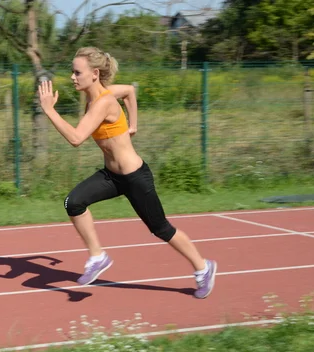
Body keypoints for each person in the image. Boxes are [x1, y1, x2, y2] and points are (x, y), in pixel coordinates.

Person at [37, 46, 217, 299]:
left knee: (161, 229)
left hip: (134, 177)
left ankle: (203, 267)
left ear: (95, 74)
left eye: (77, 72)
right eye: (72, 72)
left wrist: (49, 110)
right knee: (73, 202)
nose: (72, 77)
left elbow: (76, 138)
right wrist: (133, 124)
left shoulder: (103, 102)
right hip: (112, 176)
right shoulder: (103, 94)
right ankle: (98, 256)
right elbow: (130, 92)